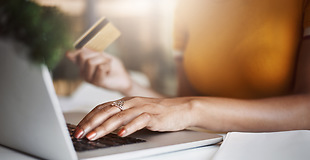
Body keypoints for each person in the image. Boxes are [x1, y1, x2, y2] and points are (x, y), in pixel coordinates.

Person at [66, 0, 310, 141]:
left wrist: (194, 109)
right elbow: (179, 105)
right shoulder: (189, 7)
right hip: (207, 152)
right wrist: (127, 84)